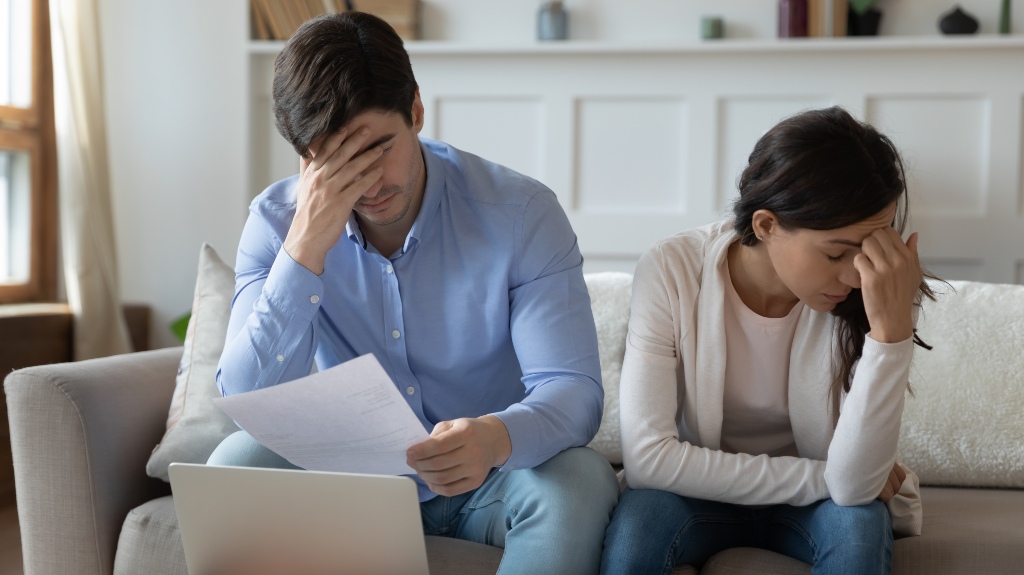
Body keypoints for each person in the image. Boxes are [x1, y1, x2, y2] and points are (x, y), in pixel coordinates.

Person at [208, 12, 618, 575]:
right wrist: (304, 251)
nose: (370, 184)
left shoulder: (521, 214)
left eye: (378, 148)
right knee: (235, 462)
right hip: (350, 482)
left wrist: (497, 437)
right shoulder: (277, 223)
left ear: (417, 112)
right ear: (305, 160)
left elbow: (573, 390)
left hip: (490, 481)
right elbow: (246, 403)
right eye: (337, 163)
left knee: (581, 480)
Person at [601, 107, 934, 575]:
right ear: (766, 225)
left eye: (874, 245)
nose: (856, 274)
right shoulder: (672, 269)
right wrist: (827, 478)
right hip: (699, 495)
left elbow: (857, 490)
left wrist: (891, 336)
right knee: (637, 532)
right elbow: (648, 461)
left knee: (858, 529)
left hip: (820, 507)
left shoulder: (882, 287)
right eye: (836, 252)